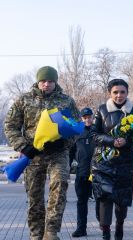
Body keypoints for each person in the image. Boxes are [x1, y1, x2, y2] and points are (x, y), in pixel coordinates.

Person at [4, 66, 79, 240]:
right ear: (38, 81)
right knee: (34, 196)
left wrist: (63, 142)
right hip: (32, 154)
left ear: (55, 82)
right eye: (43, 81)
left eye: (50, 81)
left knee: (60, 185)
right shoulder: (23, 100)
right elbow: (10, 126)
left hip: (57, 153)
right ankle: (36, 234)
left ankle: (51, 231)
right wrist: (23, 146)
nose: (46, 84)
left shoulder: (66, 101)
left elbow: (76, 127)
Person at [91, 79, 133, 240]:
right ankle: (106, 232)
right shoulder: (101, 110)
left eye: (122, 92)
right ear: (109, 93)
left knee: (122, 200)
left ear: (127, 93)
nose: (119, 95)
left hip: (125, 162)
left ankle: (119, 225)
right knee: (105, 197)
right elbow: (93, 134)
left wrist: (127, 142)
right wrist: (111, 141)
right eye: (115, 92)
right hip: (104, 162)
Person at [70, 107, 96, 237]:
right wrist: (67, 168)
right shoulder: (76, 132)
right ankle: (81, 228)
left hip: (98, 173)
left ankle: (104, 225)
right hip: (82, 172)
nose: (87, 120)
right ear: (82, 118)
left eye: (89, 117)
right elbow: (70, 151)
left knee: (102, 200)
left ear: (93, 117)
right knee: (81, 201)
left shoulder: (99, 130)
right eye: (85, 118)